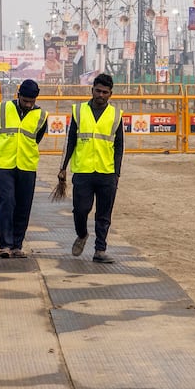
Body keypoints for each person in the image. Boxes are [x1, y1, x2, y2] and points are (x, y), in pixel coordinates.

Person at [58, 71, 123, 263]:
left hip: (106, 172)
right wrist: (63, 167)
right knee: (80, 209)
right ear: (92, 90)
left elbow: (119, 146)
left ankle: (100, 250)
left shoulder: (115, 115)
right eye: (98, 91)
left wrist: (117, 172)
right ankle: (82, 234)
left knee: (104, 214)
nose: (100, 95)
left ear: (110, 94)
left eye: (105, 92)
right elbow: (70, 141)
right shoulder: (79, 111)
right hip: (83, 171)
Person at [0, 78, 47, 258]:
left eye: (31, 101)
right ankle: (5, 245)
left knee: (23, 205)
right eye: (25, 100)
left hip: (27, 165)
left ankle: (17, 245)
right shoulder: (4, 109)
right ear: (18, 95)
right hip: (4, 164)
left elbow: (37, 139)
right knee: (7, 202)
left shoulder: (42, 116)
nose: (28, 104)